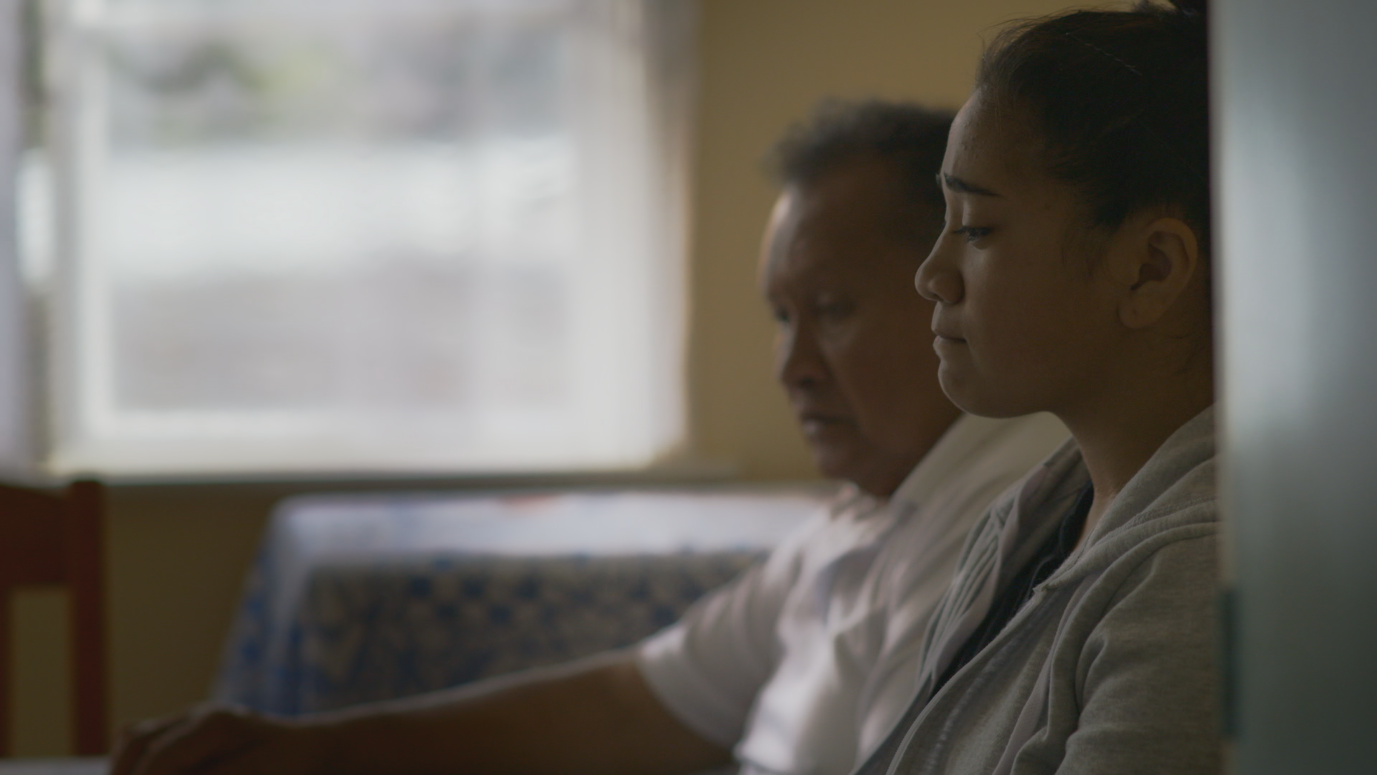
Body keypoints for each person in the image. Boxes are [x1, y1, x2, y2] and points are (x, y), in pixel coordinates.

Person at [111, 102, 1068, 775]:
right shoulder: (876, 508)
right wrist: (321, 748)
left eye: (831, 309)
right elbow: (634, 703)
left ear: (950, 288)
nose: (793, 367)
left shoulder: (999, 519)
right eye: (782, 317)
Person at [851, 3, 1220, 774]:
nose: (931, 274)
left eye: (976, 228)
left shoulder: (1190, 576)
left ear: (1149, 269)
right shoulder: (1028, 518)